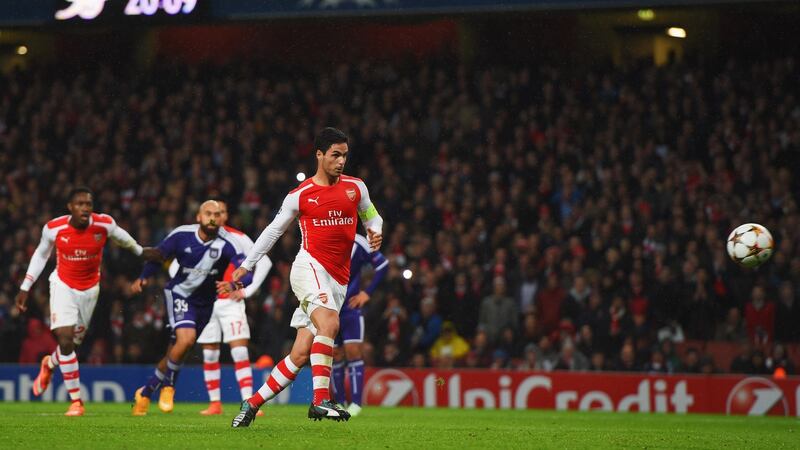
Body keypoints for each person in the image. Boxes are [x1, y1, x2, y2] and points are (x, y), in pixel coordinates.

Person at [229, 127, 383, 427]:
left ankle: (252, 403)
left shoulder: (356, 188)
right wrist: (247, 265)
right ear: (319, 155)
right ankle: (320, 400)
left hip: (338, 280)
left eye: (345, 155)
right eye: (335, 155)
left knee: (299, 355)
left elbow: (371, 215)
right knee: (330, 324)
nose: (341, 161)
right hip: (309, 267)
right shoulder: (300, 195)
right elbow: (273, 231)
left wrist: (375, 230)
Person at [15, 187, 158, 416]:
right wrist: (25, 286)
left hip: (90, 290)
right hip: (63, 285)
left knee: (72, 346)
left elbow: (125, 241)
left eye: (88, 204)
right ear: (70, 207)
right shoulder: (54, 228)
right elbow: (41, 255)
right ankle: (76, 402)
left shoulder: (104, 224)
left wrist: (142, 252)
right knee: (65, 339)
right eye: (80, 204)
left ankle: (49, 364)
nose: (85, 208)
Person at [130, 200, 250, 416]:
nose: (212, 218)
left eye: (216, 214)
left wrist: (234, 284)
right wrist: (144, 276)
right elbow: (159, 256)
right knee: (186, 340)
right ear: (198, 217)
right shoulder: (181, 235)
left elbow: (247, 270)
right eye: (208, 213)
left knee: (177, 350)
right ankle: (169, 387)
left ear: (222, 218)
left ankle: (145, 392)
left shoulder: (230, 243)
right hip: (179, 294)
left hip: (206, 303)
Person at [167, 199, 272, 416]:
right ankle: (215, 404)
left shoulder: (238, 238)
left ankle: (248, 401)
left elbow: (265, 262)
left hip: (230, 302)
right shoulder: (195, 236)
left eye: (221, 212)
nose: (217, 216)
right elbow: (175, 265)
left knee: (240, 350)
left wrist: (246, 291)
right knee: (210, 353)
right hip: (204, 302)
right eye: (213, 212)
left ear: (226, 215)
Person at [330, 234, 388, 416]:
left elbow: (383, 265)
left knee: (353, 351)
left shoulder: (359, 242)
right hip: (329, 307)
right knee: (335, 354)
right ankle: (339, 403)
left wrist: (367, 292)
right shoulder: (324, 238)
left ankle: (356, 403)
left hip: (350, 308)